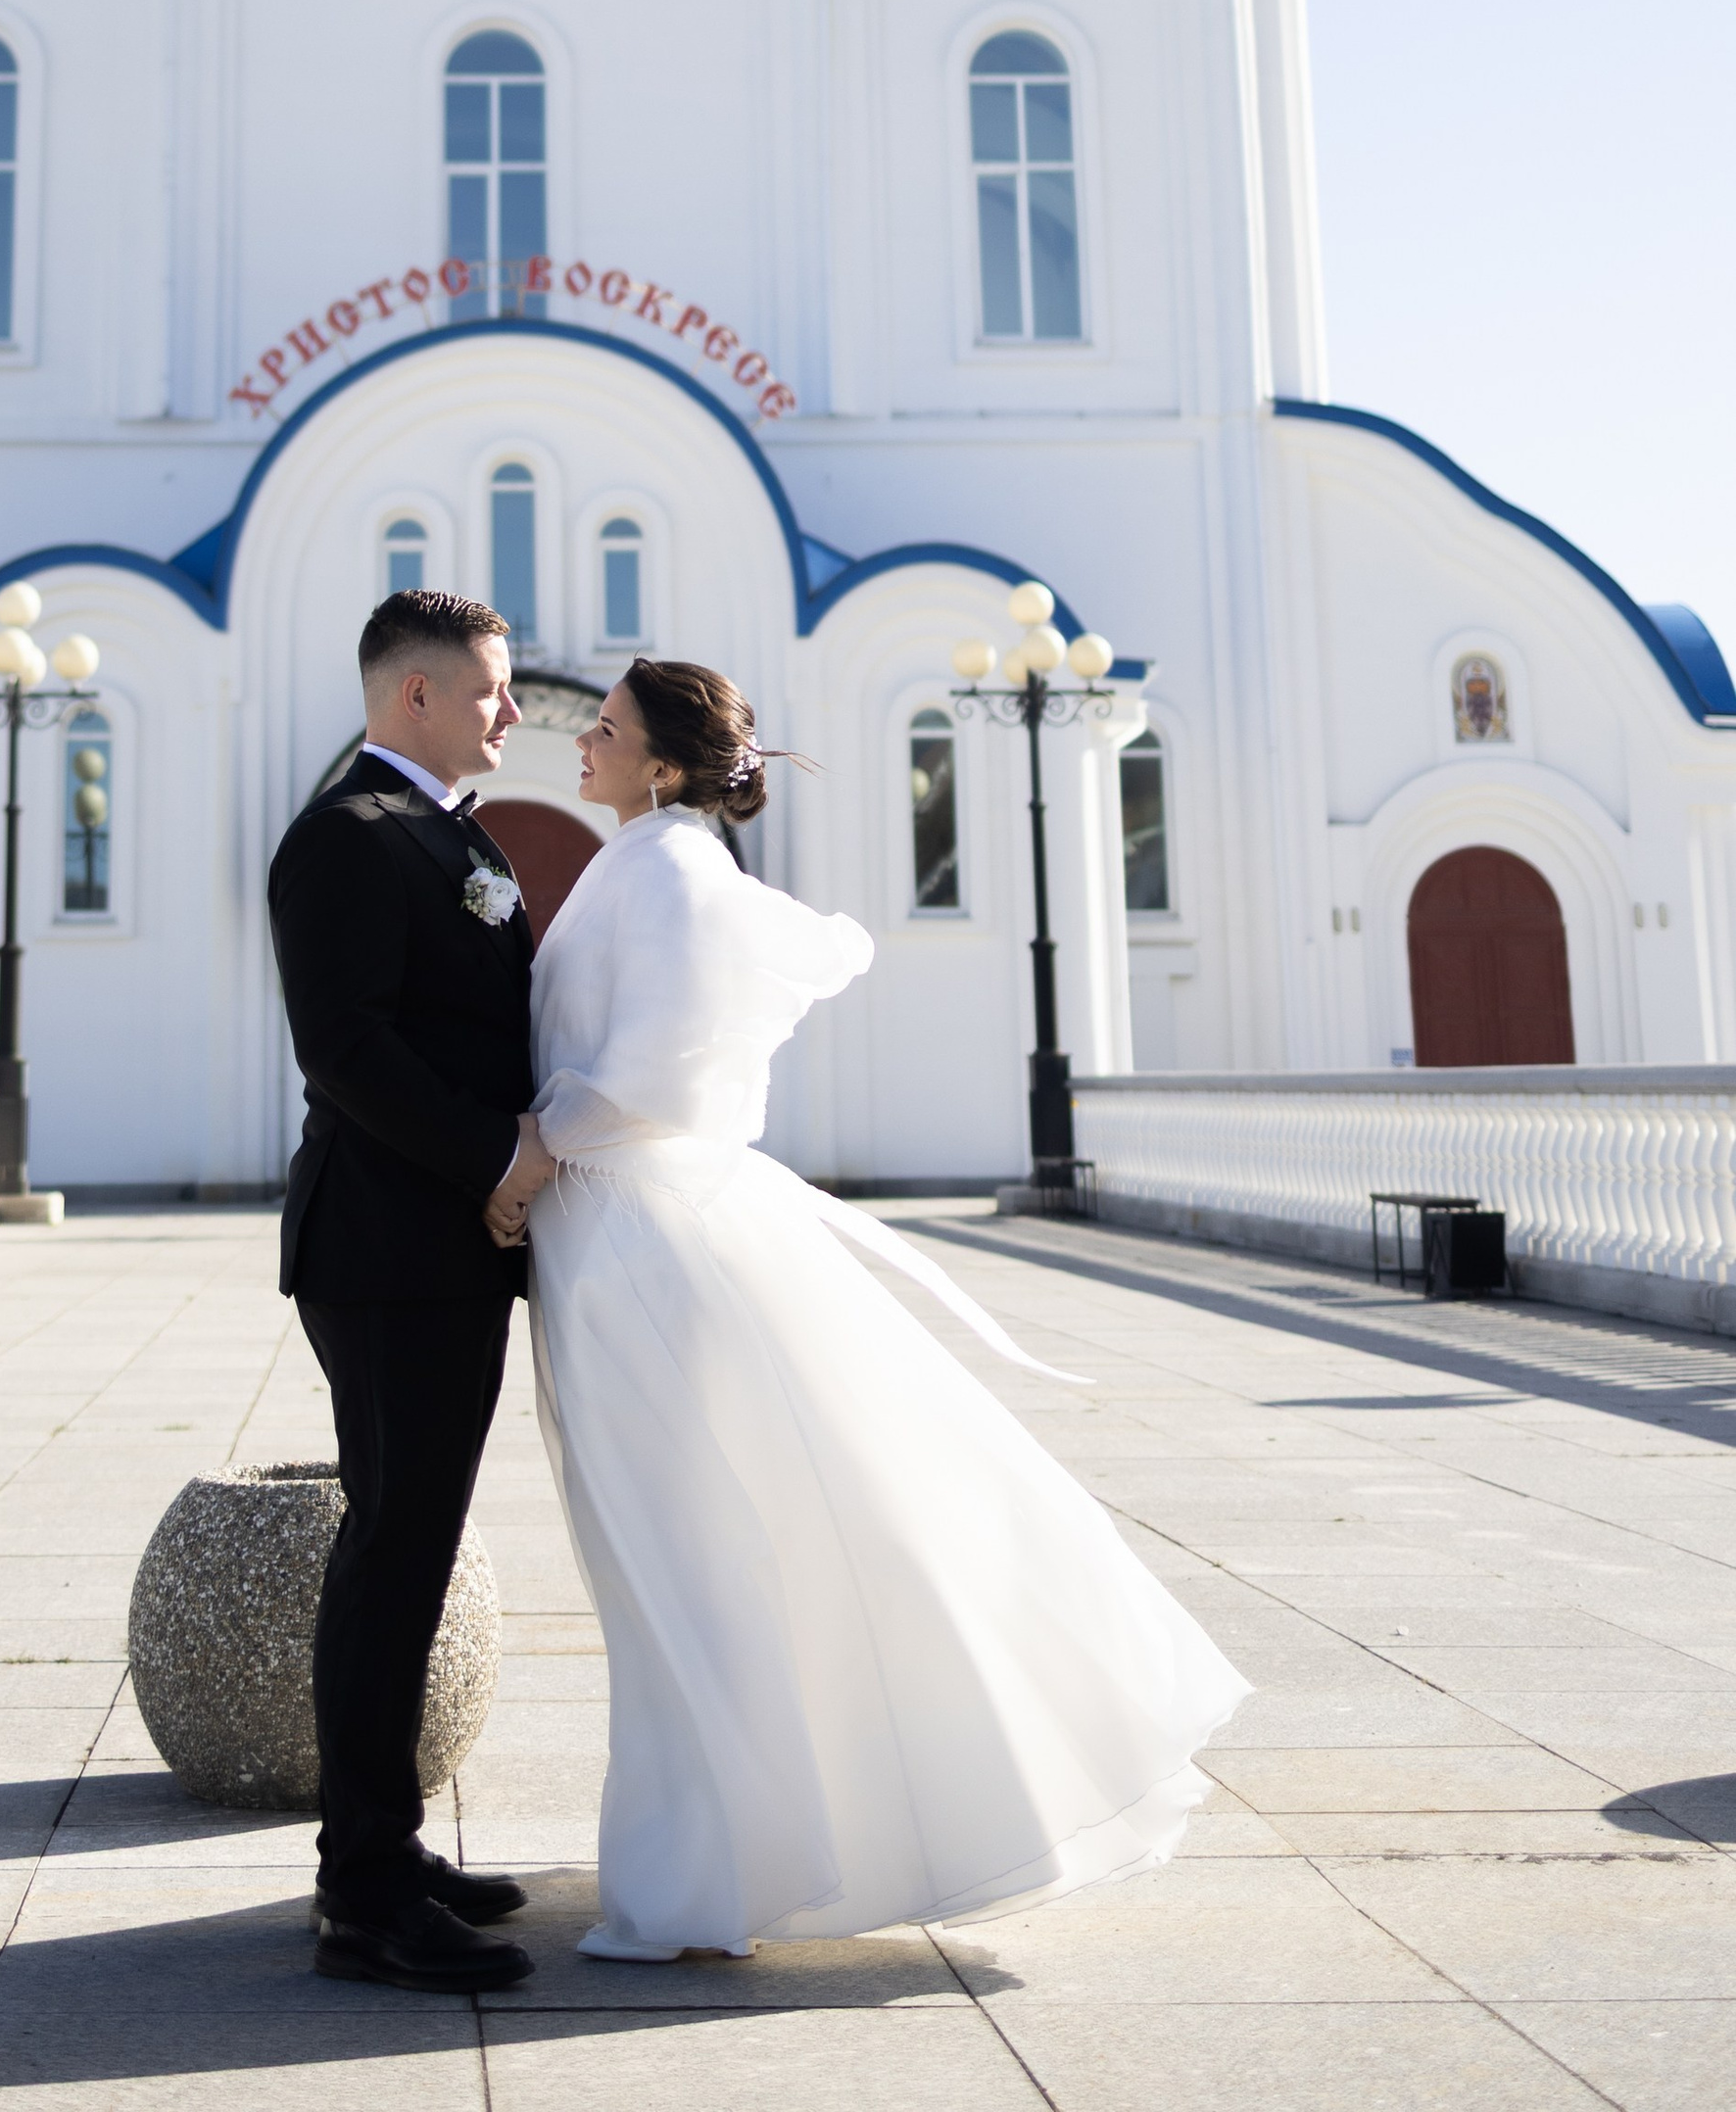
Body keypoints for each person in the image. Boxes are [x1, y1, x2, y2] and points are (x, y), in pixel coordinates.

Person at [486, 656, 1249, 1962]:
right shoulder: (649, 860)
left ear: (663, 765)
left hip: (635, 1233)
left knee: (691, 1555)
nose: (581, 743)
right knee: (679, 1554)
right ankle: (724, 1847)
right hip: (608, 1234)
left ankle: (710, 1878)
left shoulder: (669, 871)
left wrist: (533, 1152)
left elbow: (656, 1069)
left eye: (603, 730)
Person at [265, 587, 555, 1993]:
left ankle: (384, 1845)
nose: (513, 712)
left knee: (416, 1549)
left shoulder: (445, 831)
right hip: (387, 1251)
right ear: (417, 696)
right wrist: (497, 1158)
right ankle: (364, 1894)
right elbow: (349, 1053)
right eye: (492, 690)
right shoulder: (344, 837)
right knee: (392, 1552)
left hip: (441, 1248)